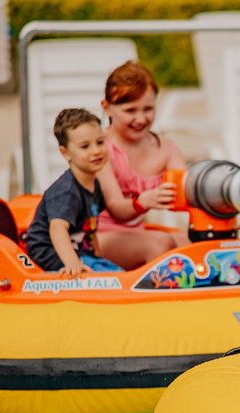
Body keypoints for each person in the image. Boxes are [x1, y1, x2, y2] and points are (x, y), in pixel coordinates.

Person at [95, 61, 187, 270]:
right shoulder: (100, 149)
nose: (140, 118)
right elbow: (118, 209)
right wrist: (143, 202)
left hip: (136, 234)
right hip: (96, 238)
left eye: (148, 109)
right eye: (130, 110)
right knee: (161, 244)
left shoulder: (164, 148)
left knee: (192, 244)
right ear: (107, 108)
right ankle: (159, 300)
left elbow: (188, 190)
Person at [26, 109, 123, 277]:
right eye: (85, 146)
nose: (96, 151)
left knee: (116, 273)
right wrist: (72, 264)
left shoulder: (95, 185)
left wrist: (97, 255)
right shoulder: (67, 191)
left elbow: (90, 228)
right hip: (50, 252)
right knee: (110, 276)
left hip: (79, 251)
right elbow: (57, 229)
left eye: (100, 142)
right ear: (66, 153)